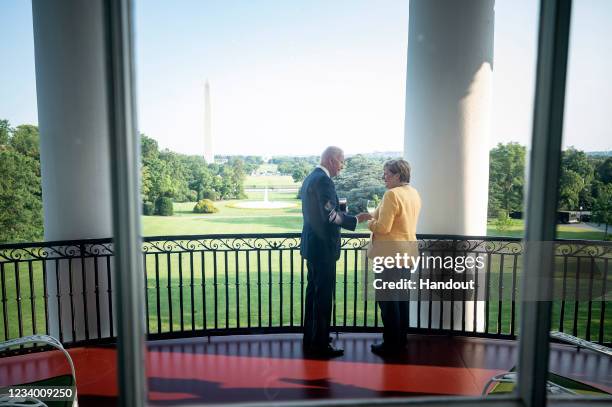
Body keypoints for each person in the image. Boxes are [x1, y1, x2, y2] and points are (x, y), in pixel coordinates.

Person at [300, 146, 370, 358]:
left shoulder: (311, 177)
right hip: (323, 250)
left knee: (313, 294)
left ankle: (312, 338)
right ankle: (320, 345)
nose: (342, 165)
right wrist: (356, 219)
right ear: (331, 160)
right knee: (322, 298)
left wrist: (337, 209)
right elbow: (331, 215)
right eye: (341, 161)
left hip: (312, 247)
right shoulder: (324, 180)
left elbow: (323, 209)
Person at [367, 159, 421, 356]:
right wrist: (375, 215)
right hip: (407, 254)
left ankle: (390, 344)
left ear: (399, 175)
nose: (384, 177)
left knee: (388, 302)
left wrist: (369, 221)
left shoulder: (391, 194)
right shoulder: (413, 192)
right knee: (401, 299)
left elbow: (383, 227)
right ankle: (401, 340)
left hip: (389, 255)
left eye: (388, 173)